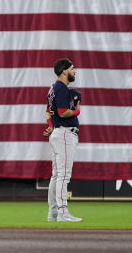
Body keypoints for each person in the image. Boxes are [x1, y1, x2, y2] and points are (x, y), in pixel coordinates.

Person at [44, 58, 83, 222]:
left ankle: (53, 213)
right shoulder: (61, 88)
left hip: (58, 133)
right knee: (63, 176)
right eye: (72, 69)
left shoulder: (53, 88)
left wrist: (51, 126)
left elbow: (48, 112)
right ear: (64, 71)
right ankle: (62, 212)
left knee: (56, 175)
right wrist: (77, 112)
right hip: (65, 134)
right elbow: (62, 112)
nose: (74, 72)